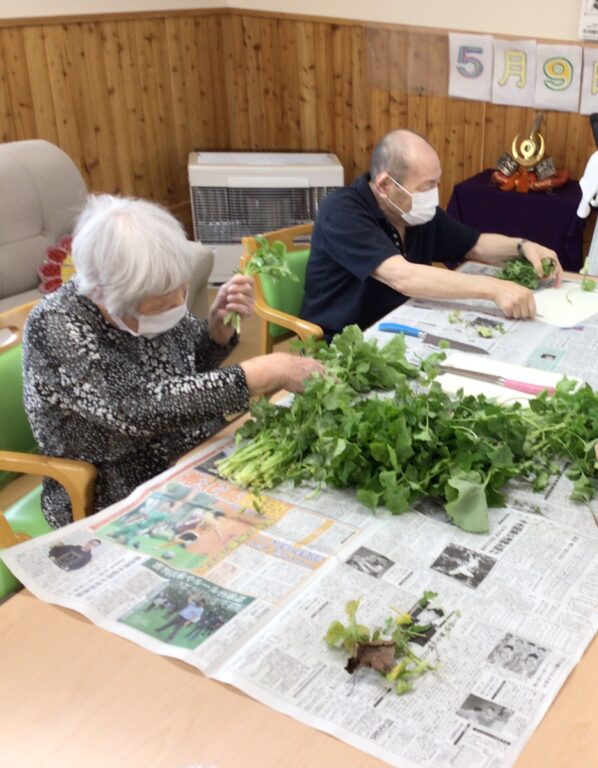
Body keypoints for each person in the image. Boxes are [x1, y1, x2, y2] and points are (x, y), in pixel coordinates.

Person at [23, 195, 325, 529]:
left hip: (194, 448)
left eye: (181, 290)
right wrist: (256, 375)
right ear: (106, 295)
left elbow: (189, 369)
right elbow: (134, 407)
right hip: (115, 483)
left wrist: (215, 334)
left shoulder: (150, 292)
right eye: (161, 303)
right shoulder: (55, 325)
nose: (179, 302)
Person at [299, 129, 562, 339]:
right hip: (345, 342)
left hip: (402, 325)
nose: (433, 195)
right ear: (385, 186)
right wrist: (493, 289)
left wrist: (523, 246)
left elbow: (476, 244)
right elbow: (402, 276)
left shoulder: (416, 213)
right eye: (426, 186)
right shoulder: (343, 211)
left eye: (436, 183)